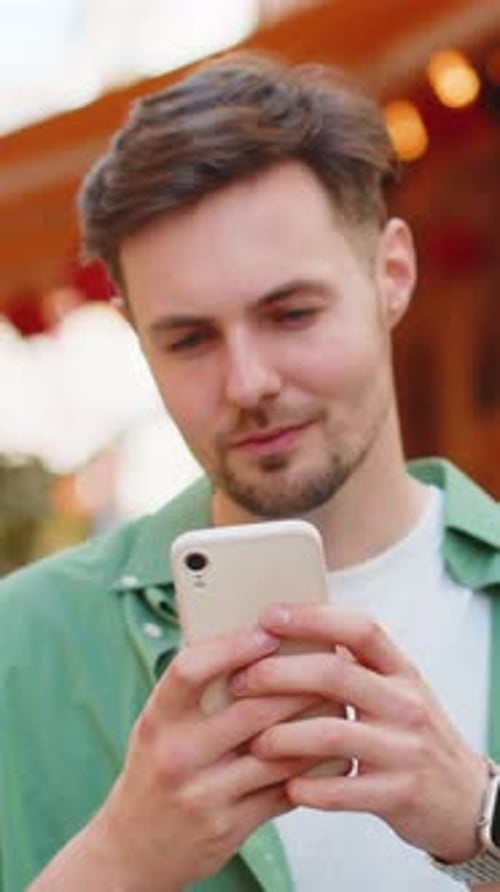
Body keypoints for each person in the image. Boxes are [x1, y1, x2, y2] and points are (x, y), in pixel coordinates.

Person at [0, 51, 498, 892]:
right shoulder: (22, 646)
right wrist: (119, 861)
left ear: (392, 275)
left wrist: (481, 820)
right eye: (188, 338)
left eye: (292, 313)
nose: (247, 383)